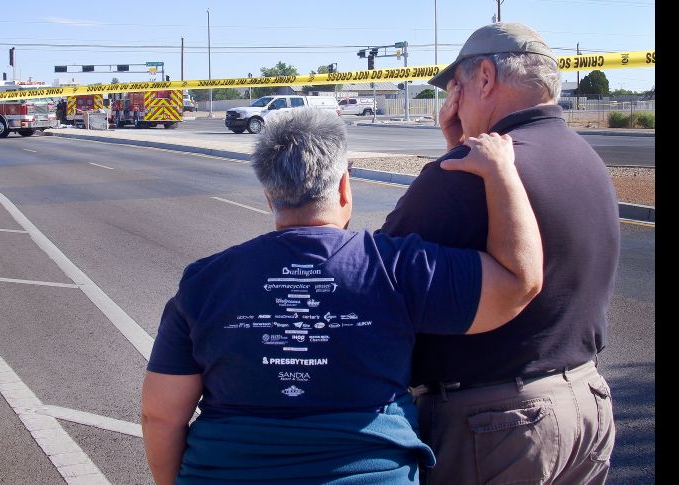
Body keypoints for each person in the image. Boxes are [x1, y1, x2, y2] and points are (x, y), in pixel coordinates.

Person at [141, 107, 543, 484]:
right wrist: (500, 172)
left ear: (269, 196)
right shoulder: (396, 266)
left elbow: (160, 416)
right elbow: (517, 282)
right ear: (345, 187)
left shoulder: (204, 281)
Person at [380, 22, 619, 484]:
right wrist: (457, 148)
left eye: (457, 86)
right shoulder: (586, 159)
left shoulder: (466, 172)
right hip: (587, 406)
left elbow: (381, 275)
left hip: (496, 428)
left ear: (486, 78)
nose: (452, 101)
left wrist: (449, 162)